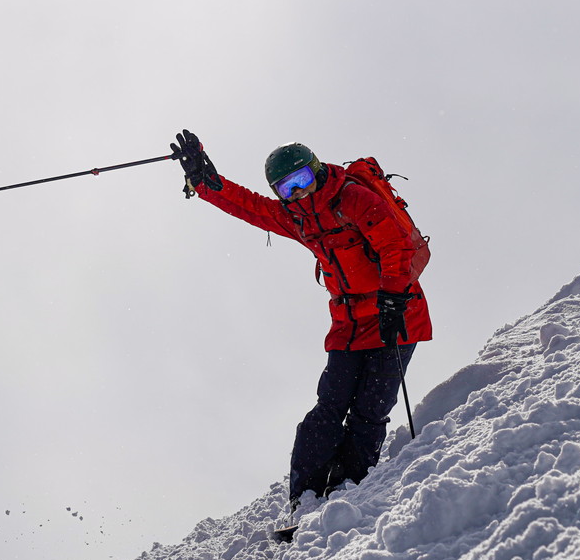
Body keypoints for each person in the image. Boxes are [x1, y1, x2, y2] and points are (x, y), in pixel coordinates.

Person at [170, 129, 432, 508]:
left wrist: (392, 297)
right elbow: (250, 207)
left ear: (317, 171)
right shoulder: (297, 218)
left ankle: (352, 485)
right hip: (350, 321)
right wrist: (204, 180)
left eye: (303, 181)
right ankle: (305, 496)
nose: (297, 193)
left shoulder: (353, 198)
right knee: (330, 403)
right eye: (286, 188)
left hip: (397, 311)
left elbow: (396, 245)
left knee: (371, 406)